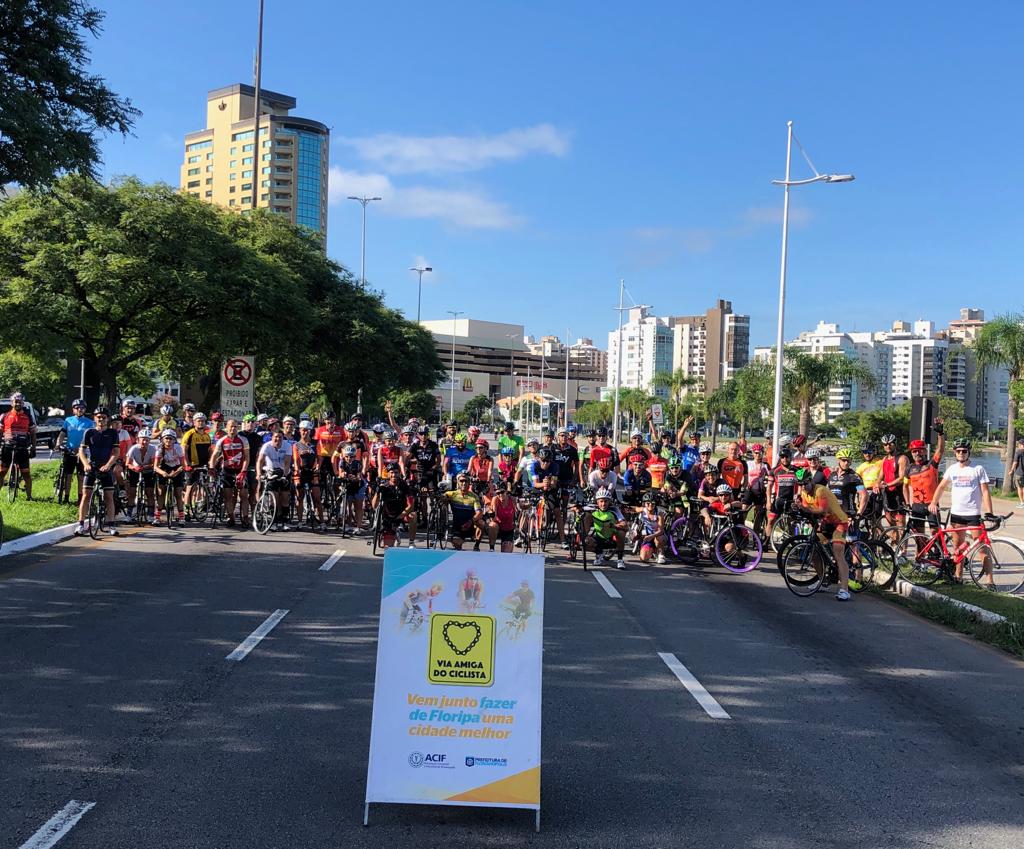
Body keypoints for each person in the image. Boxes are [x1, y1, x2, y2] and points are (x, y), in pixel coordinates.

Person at [928, 437, 995, 584]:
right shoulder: (952, 469)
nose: (961, 453)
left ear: (968, 452)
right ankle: (958, 577)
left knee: (982, 548)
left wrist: (989, 512)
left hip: (973, 514)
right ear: (955, 452)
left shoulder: (978, 469)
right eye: (958, 451)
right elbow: (941, 486)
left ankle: (990, 581)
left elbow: (985, 492)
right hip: (957, 514)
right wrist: (933, 502)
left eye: (964, 451)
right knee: (958, 548)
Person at [794, 467, 853, 600]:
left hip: (839, 522)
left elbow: (822, 510)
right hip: (827, 523)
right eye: (800, 484)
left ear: (811, 481)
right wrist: (798, 509)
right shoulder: (804, 493)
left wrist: (805, 509)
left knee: (838, 553)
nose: (803, 487)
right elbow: (808, 510)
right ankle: (822, 581)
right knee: (814, 551)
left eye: (805, 483)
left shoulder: (820, 491)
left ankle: (844, 590)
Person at [75, 407, 119, 536]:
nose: (101, 419)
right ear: (94, 418)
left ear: (107, 419)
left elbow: (116, 452)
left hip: (106, 466)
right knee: (86, 495)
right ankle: (80, 525)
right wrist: (85, 464)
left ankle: (111, 525)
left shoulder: (112, 433)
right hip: (91, 466)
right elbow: (81, 450)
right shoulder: (89, 432)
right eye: (98, 417)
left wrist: (108, 465)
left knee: (109, 496)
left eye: (103, 417)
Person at [208, 418, 250, 527]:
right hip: (227, 470)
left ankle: (245, 518)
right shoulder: (222, 440)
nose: (233, 429)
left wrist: (243, 471)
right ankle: (231, 517)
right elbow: (214, 456)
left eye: (235, 427)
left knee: (244, 495)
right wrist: (212, 467)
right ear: (226, 427)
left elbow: (247, 457)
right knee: (228, 496)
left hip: (240, 470)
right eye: (231, 426)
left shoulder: (243, 440)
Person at [905, 421, 946, 532]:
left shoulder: (931, 464)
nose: (917, 453)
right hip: (917, 506)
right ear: (911, 453)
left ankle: (938, 545)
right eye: (914, 451)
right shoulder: (909, 468)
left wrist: (940, 434)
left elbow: (940, 450)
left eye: (920, 450)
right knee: (919, 537)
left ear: (924, 451)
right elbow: (904, 486)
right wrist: (907, 503)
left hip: (931, 504)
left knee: (935, 534)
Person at [442, 472, 494, 551]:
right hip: (458, 526)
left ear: (469, 483)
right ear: (458, 483)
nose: (464, 483)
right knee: (457, 544)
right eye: (461, 481)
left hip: (470, 524)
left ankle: (477, 545)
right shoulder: (452, 494)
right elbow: (442, 497)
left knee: (481, 523)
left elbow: (479, 513)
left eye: (466, 481)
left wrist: (470, 522)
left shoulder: (474, 496)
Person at [1, 391, 36, 499]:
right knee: (2, 472)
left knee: (26, 474)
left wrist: (33, 447)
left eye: (20, 402)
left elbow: (33, 433)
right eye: (16, 402)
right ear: (12, 403)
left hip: (22, 448)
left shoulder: (28, 417)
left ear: (23, 403)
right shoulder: (4, 416)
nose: (18, 404)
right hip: (7, 447)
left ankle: (29, 496)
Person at [256, 429, 293, 532]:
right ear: (272, 438)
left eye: (280, 437)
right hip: (271, 472)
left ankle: (285, 521)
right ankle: (274, 522)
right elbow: (260, 461)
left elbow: (287, 463)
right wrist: (258, 474)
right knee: (273, 498)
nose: (278, 439)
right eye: (276, 437)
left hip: (283, 472)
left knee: (285, 497)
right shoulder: (266, 446)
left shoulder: (287, 446)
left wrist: (284, 475)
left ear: (283, 438)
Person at [56, 399, 92, 504]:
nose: (80, 410)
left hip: (82, 452)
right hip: (69, 450)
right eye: (77, 408)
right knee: (68, 476)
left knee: (81, 477)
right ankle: (66, 497)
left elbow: (91, 438)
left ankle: (80, 499)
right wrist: (58, 443)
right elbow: (62, 434)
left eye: (82, 408)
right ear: (73, 409)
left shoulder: (89, 422)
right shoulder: (68, 420)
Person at [373, 465, 418, 548]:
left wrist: (400, 516)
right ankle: (394, 533)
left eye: (396, 472)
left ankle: (411, 542)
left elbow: (411, 505)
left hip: (402, 514)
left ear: (399, 473)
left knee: (413, 515)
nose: (394, 475)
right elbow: (374, 506)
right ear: (388, 474)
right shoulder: (384, 486)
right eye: (391, 472)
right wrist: (377, 492)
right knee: (388, 548)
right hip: (388, 516)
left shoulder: (404, 485)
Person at [584, 487, 627, 569]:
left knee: (621, 532)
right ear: (597, 501)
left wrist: (614, 525)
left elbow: (625, 525)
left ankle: (620, 560)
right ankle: (599, 553)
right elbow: (579, 509)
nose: (603, 504)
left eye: (606, 501)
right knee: (584, 541)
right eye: (601, 501)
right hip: (598, 537)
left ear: (609, 501)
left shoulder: (614, 509)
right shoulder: (592, 508)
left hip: (611, 538)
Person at [181, 412, 212, 515]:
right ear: (194, 422)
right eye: (198, 421)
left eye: (202, 421)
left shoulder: (207, 435)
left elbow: (209, 451)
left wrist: (210, 463)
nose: (200, 423)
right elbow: (184, 450)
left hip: (204, 465)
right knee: (190, 487)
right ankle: (186, 509)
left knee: (201, 487)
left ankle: (195, 505)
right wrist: (187, 464)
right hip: (192, 465)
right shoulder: (189, 434)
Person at [124, 427, 157, 521]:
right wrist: (134, 468)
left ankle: (150, 515)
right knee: (132, 492)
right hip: (135, 470)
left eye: (147, 440)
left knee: (149, 492)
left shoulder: (153, 449)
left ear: (149, 441)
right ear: (138, 440)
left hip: (148, 470)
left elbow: (154, 463)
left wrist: (146, 467)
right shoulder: (133, 449)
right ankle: (129, 515)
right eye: (143, 440)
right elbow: (128, 463)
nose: (145, 442)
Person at [154, 428, 186, 525]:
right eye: (166, 438)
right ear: (163, 439)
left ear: (174, 440)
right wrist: (163, 473)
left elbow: (183, 465)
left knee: (178, 493)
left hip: (177, 468)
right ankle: (157, 517)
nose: (168, 440)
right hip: (164, 468)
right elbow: (155, 466)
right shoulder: (159, 448)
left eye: (170, 439)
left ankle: (181, 517)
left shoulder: (178, 448)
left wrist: (175, 473)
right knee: (161, 493)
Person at [333, 443, 367, 533]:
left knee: (358, 506)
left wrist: (355, 477)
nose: (349, 458)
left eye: (351, 457)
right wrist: (343, 474)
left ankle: (358, 527)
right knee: (348, 505)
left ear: (354, 456)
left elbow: (359, 476)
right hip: (348, 485)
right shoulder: (342, 462)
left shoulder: (358, 463)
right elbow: (340, 472)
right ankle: (348, 524)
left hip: (358, 485)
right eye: (347, 456)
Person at [879, 433, 908, 534]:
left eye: (890, 444)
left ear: (895, 444)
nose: (888, 446)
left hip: (898, 493)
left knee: (900, 523)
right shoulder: (884, 459)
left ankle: (902, 544)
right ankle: (895, 543)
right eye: (885, 444)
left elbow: (901, 478)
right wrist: (876, 484)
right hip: (887, 493)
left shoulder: (902, 458)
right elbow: (881, 475)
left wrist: (887, 485)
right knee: (890, 521)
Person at [238, 415, 264, 512]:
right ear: (244, 423)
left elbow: (259, 454)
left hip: (252, 466)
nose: (250, 424)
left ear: (255, 424)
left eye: (252, 422)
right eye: (248, 421)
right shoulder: (239, 435)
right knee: (242, 492)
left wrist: (259, 469)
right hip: (240, 466)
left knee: (253, 491)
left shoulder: (258, 437)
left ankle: (253, 514)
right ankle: (243, 514)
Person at [637, 491, 667, 565]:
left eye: (653, 503)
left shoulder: (659, 513)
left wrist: (650, 536)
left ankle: (661, 554)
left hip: (657, 536)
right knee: (644, 558)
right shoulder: (643, 510)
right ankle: (653, 550)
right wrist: (627, 508)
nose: (650, 505)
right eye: (648, 503)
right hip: (648, 538)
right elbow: (634, 509)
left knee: (659, 537)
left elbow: (661, 531)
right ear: (644, 504)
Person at [491, 480, 517, 552]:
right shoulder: (495, 499)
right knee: (492, 525)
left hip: (509, 529)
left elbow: (519, 511)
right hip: (499, 528)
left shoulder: (513, 499)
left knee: (506, 553)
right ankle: (491, 548)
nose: (500, 495)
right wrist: (491, 514)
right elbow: (494, 517)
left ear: (506, 492)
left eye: (502, 492)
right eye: (498, 493)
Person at [1011, 436, 1024, 509]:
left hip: (1019, 473)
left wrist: (1011, 470)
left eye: (1019, 444)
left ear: (1020, 444)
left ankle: (1022, 503)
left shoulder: (1018, 452)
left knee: (1019, 488)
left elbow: (1015, 462)